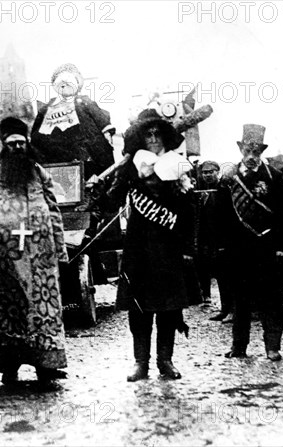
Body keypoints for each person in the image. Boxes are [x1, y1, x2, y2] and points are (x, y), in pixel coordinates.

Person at [0, 117, 69, 384]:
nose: (17, 148)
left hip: (40, 258)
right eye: (12, 143)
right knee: (5, 308)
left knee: (42, 310)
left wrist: (60, 247)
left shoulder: (40, 173)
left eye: (21, 143)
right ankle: (8, 366)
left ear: (27, 144)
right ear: (4, 146)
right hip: (2, 258)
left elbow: (53, 209)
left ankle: (46, 365)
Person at [102, 109, 195, 381]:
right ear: (141, 138)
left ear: (166, 135)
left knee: (168, 308)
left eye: (157, 133)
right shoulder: (132, 167)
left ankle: (165, 360)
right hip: (139, 248)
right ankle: (140, 362)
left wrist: (189, 248)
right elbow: (112, 200)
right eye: (148, 134)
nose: (153, 138)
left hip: (169, 247)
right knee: (139, 309)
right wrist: (106, 184)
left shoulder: (179, 166)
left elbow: (190, 213)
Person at [217, 124, 283, 361]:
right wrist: (224, 247)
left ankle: (272, 346)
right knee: (241, 299)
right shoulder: (228, 179)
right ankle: (239, 346)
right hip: (238, 249)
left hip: (268, 247)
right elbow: (222, 215)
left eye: (256, 151)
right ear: (241, 150)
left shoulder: (274, 178)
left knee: (272, 299)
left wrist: (281, 247)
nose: (251, 156)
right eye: (247, 150)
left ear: (261, 152)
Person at [31, 63, 115, 180]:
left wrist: (106, 132)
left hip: (87, 155)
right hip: (59, 160)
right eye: (62, 84)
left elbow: (100, 118)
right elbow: (36, 136)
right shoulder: (46, 109)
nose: (66, 86)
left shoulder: (84, 102)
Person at [195, 160, 234, 321]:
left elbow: (229, 216)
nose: (207, 175)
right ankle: (225, 309)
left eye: (211, 172)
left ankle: (233, 310)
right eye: (204, 172)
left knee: (228, 276)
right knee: (219, 275)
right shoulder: (201, 191)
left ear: (217, 172)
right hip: (210, 240)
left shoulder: (224, 189)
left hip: (224, 239)